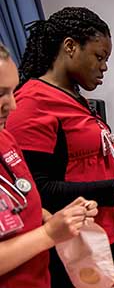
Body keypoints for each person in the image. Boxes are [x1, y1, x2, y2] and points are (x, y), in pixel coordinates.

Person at [5, 7, 114, 287]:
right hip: (67, 250)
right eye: (99, 56)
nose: (105, 66)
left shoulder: (75, 98)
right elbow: (38, 191)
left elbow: (78, 164)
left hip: (99, 236)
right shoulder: (32, 105)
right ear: (70, 47)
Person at [0, 42, 98, 287]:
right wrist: (48, 234)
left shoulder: (4, 139)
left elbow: (25, 200)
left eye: (12, 91)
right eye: (0, 93)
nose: (12, 105)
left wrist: (62, 218)